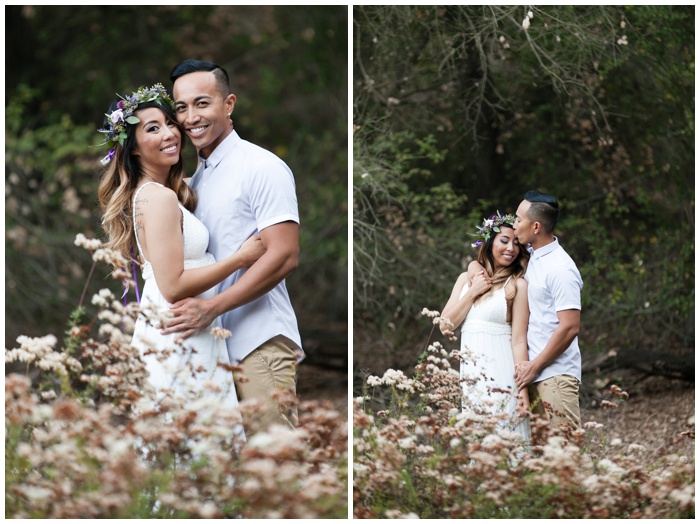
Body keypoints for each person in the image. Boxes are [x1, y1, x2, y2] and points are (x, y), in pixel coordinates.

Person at [96, 83, 265, 437]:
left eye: (169, 123)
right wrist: (241, 258)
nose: (170, 132)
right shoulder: (156, 198)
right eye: (152, 128)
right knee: (197, 439)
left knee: (198, 438)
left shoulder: (165, 193)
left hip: (191, 329)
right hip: (181, 330)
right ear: (135, 148)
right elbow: (173, 286)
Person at [160, 59, 303, 434]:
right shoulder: (196, 181)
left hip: (259, 342)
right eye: (181, 107)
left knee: (275, 467)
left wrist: (211, 307)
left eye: (202, 103)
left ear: (229, 104)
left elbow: (284, 255)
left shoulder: (261, 167)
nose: (191, 117)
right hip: (210, 347)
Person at [440, 212, 531, 440]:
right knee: (479, 445)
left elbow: (519, 340)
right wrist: (473, 291)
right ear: (490, 243)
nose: (511, 248)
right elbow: (445, 325)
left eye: (516, 243)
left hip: (503, 377)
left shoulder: (517, 285)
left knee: (506, 443)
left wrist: (523, 391)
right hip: (472, 379)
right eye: (504, 241)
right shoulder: (466, 279)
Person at [512, 190, 583, 430]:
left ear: (536, 227)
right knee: (545, 461)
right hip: (536, 374)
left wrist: (535, 366)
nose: (514, 225)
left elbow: (570, 326)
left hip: (556, 376)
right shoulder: (534, 257)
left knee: (567, 455)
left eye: (518, 219)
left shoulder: (561, 268)